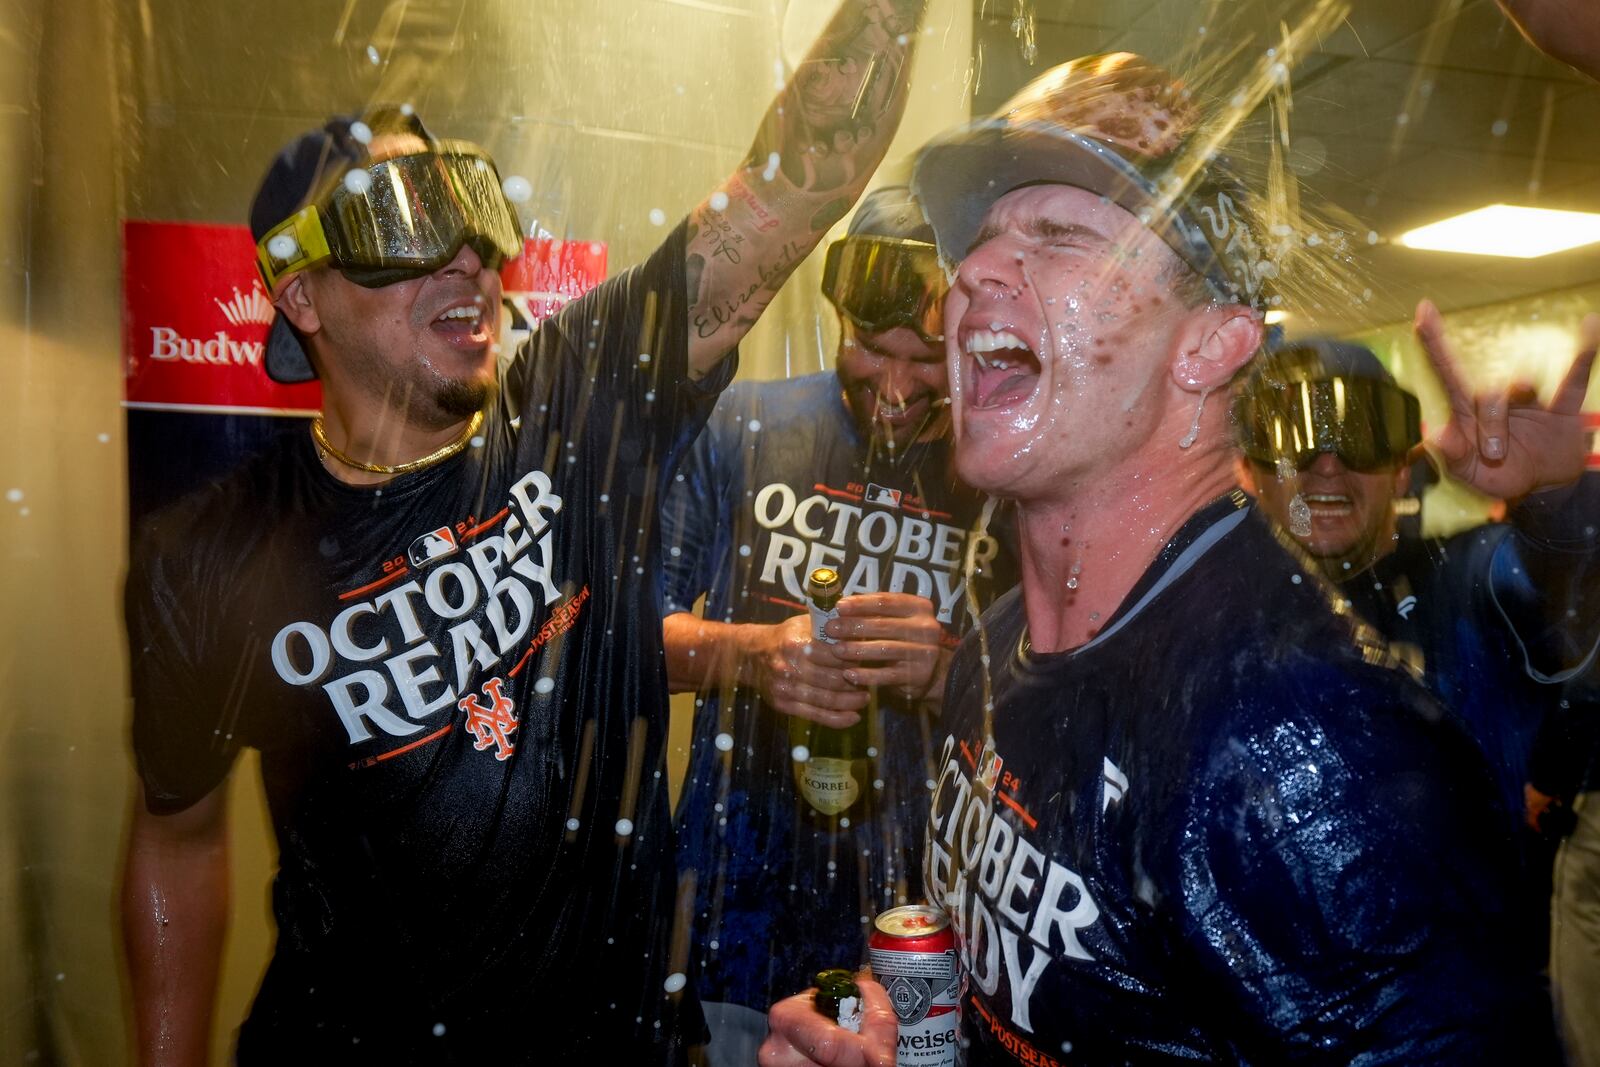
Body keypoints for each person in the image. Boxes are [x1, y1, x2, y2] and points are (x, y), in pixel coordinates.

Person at [119, 3, 929, 1061]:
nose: (466, 254)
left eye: (472, 208)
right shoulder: (213, 553)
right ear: (301, 294)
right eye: (402, 218)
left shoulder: (569, 411)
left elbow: (798, 180)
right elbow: (176, 836)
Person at [762, 51, 1558, 1066]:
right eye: (981, 238)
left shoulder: (1307, 747)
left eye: (1056, 236)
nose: (969, 274)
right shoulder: (997, 644)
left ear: (1209, 344)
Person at [660, 183, 1016, 1065]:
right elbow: (626, 631)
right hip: (732, 915)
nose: (893, 387)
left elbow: (1063, 697)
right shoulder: (743, 426)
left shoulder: (1002, 480)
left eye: (925, 359)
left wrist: (952, 672)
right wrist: (747, 656)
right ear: (836, 319)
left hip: (921, 931)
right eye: (869, 348)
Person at [1235, 334, 1600, 825]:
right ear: (1246, 471)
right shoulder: (1225, 623)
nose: (1327, 465)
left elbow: (1566, 589)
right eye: (1293, 443)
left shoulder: (1468, 584)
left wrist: (1555, 503)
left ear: (1402, 471)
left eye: (1360, 440)